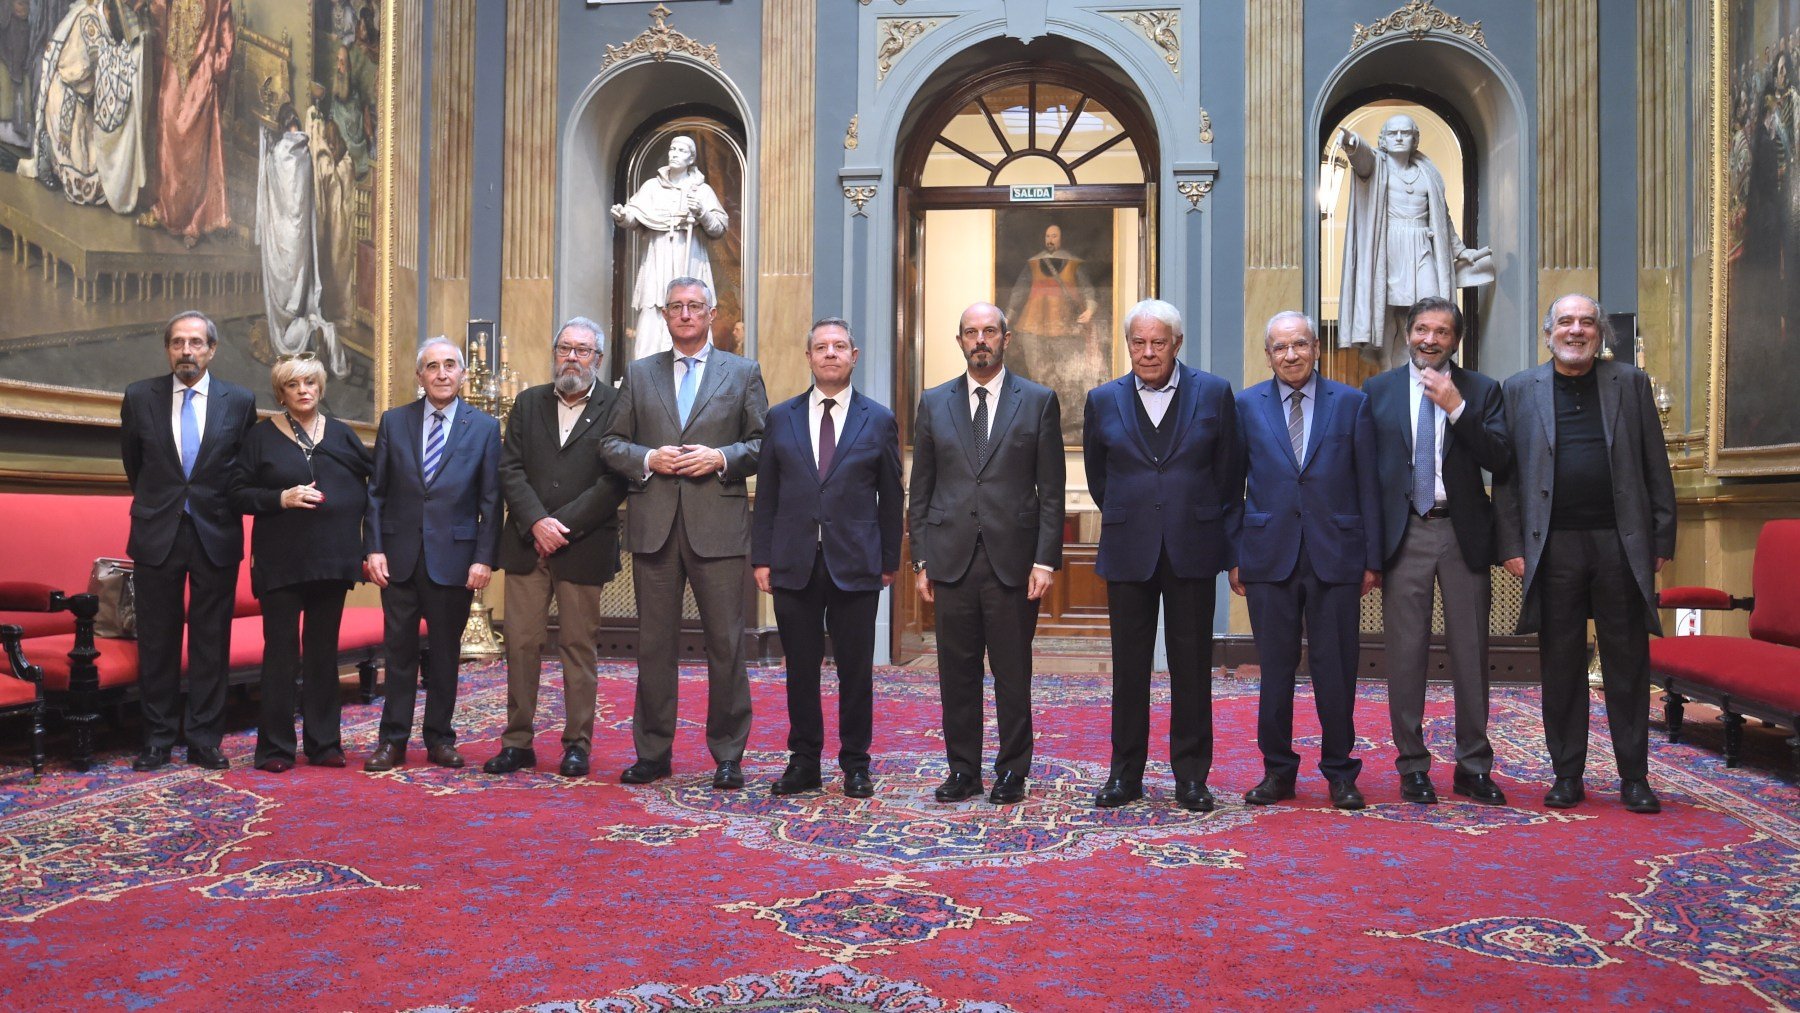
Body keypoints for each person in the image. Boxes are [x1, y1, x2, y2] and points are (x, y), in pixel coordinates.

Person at [1493, 294, 1677, 814]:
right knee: (1562, 662)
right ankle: (1567, 774)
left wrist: (1661, 538)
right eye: (1567, 322)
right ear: (1548, 332)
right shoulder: (1519, 389)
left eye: (1587, 322)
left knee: (1627, 662)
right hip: (1551, 547)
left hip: (1621, 543)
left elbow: (1653, 465)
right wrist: (1510, 544)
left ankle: (1634, 778)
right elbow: (1505, 479)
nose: (1577, 330)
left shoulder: (1631, 384)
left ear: (1600, 334)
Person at [600, 277, 767, 789]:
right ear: (665, 314)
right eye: (677, 306)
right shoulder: (639, 372)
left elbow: (764, 443)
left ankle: (728, 754)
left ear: (712, 314)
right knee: (654, 645)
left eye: (695, 306)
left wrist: (720, 457)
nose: (686, 314)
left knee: (725, 644)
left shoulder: (742, 372)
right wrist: (648, 458)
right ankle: (652, 751)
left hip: (717, 527)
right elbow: (610, 442)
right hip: (654, 528)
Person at [1082, 298, 1239, 812]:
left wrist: (1190, 515)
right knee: (1129, 670)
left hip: (1192, 548)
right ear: (1128, 344)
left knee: (1191, 668)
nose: (1147, 352)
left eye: (1158, 342)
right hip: (1129, 549)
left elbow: (1228, 474)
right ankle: (1124, 775)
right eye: (1138, 342)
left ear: (1176, 344)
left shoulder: (1213, 393)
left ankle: (1191, 777)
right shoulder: (1102, 399)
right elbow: (1100, 478)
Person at [908, 302, 1065, 806]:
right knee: (957, 672)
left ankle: (1012, 770)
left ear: (1006, 338)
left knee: (1012, 673)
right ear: (959, 341)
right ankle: (963, 771)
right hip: (951, 558)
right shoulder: (934, 403)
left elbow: (1052, 491)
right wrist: (921, 560)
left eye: (989, 331)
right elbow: (922, 488)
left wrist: (1046, 560)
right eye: (971, 332)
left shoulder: (1038, 401)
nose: (981, 339)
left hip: (1014, 564)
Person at [1363, 296, 1512, 806]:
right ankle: (1413, 767)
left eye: (1442, 332)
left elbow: (1500, 458)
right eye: (1422, 329)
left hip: (1462, 533)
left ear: (1456, 339)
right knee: (1405, 657)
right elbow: (1367, 474)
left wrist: (1457, 409)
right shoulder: (1377, 391)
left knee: (1471, 654)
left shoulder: (1483, 390)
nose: (1430, 339)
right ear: (1408, 333)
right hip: (1405, 533)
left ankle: (1473, 765)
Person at [1230, 311, 1382, 810]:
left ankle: (1340, 772)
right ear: (1267, 353)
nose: (1290, 355)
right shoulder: (1246, 405)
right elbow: (1231, 485)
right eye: (1280, 347)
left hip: (1336, 556)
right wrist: (1235, 554)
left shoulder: (1353, 403)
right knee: (1274, 670)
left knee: (1335, 669)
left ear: (1316, 347)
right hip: (1267, 556)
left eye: (1299, 345)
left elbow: (1369, 487)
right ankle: (1278, 771)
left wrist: (1372, 559)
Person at [751, 317, 902, 798]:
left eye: (840, 347)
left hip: (857, 563)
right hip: (793, 561)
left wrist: (890, 559)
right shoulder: (782, 417)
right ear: (809, 357)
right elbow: (768, 494)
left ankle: (856, 763)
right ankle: (804, 762)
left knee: (856, 670)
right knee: (800, 668)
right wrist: (761, 557)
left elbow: (891, 497)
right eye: (821, 347)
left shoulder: (877, 419)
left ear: (854, 356)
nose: (830, 354)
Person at [484, 318, 627, 779]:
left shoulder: (616, 406)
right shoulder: (528, 403)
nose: (572, 357)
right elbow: (510, 470)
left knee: (577, 646)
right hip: (528, 544)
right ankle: (517, 742)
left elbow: (615, 479)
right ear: (554, 353)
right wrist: (537, 522)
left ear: (598, 360)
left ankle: (577, 744)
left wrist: (561, 524)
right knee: (521, 644)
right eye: (565, 347)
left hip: (581, 546)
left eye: (583, 350)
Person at [120, 310, 257, 771]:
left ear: (212, 350)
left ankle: (204, 738)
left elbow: (243, 470)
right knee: (157, 641)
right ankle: (157, 739)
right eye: (178, 342)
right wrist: (164, 504)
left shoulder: (238, 401)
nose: (186, 351)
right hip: (157, 532)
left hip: (215, 532)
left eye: (196, 342)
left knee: (210, 639)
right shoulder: (140, 397)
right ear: (168, 349)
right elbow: (134, 466)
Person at [362, 337, 502, 772]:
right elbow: (376, 493)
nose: (441, 373)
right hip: (399, 559)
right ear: (419, 376)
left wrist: (483, 558)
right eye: (432, 366)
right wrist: (374, 549)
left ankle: (440, 738)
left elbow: (491, 501)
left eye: (449, 366)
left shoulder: (483, 428)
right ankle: (393, 742)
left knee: (444, 657)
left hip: (455, 560)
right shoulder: (394, 422)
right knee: (398, 655)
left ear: (461, 373)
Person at [229, 352, 370, 772]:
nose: (303, 391)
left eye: (310, 383)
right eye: (294, 385)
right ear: (281, 392)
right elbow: (236, 493)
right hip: (281, 560)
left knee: (324, 653)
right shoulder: (260, 437)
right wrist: (280, 498)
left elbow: (375, 478)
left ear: (320, 388)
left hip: (332, 559)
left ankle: (325, 744)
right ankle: (275, 748)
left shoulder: (342, 435)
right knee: (281, 654)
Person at [1337, 114, 1494, 366]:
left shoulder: (1427, 173)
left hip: (1422, 245)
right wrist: (1353, 144)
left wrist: (1461, 250)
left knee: (1432, 307)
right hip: (1388, 249)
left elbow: (1442, 219)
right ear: (1383, 140)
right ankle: (1388, 370)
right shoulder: (1377, 166)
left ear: (1415, 139)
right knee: (1386, 313)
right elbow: (1363, 160)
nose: (1399, 137)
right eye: (1392, 133)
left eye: (1405, 133)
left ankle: (1427, 365)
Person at [15, 0, 149, 212]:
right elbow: (95, 65)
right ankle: (47, 151)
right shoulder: (89, 20)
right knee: (81, 184)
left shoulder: (105, 21)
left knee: (98, 172)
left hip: (87, 102)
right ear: (110, 9)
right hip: (67, 98)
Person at [610, 136, 729, 360]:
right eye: (672, 148)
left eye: (681, 150)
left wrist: (702, 212)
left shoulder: (701, 191)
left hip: (689, 257)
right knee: (654, 308)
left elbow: (719, 228)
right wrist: (623, 216)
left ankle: (695, 363)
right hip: (659, 256)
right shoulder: (652, 187)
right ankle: (647, 367)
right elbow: (634, 214)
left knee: (691, 307)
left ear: (691, 158)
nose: (674, 153)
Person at [255, 103, 343, 377]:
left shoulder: (280, 152)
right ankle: (306, 327)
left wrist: (266, 144)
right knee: (299, 280)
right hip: (301, 235)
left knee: (284, 278)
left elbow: (272, 186)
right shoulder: (304, 152)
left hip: (283, 234)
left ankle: (292, 328)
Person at [1004, 223, 1105, 445]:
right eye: (1048, 235)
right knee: (1039, 375)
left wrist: (1089, 309)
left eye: (1054, 236)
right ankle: (1040, 421)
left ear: (1061, 238)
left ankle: (1064, 421)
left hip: (1065, 329)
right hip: (1033, 325)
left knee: (1062, 376)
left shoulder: (1074, 263)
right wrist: (1008, 316)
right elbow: (1019, 291)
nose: (1050, 239)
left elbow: (1087, 289)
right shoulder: (1033, 264)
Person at [143, 0, 234, 244]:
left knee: (194, 152)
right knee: (167, 138)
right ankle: (164, 209)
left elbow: (227, 39)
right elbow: (160, 11)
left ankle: (193, 222)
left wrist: (215, 68)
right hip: (174, 69)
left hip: (202, 77)